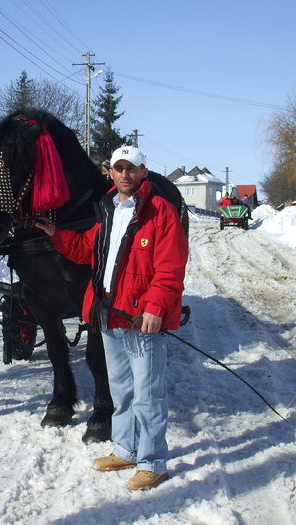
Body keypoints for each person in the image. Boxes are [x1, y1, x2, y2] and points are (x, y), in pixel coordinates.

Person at [36, 145, 188, 491]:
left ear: (143, 172)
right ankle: (125, 449)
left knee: (148, 394)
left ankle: (153, 462)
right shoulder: (108, 209)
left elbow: (171, 267)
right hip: (108, 313)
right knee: (120, 389)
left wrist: (155, 307)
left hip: (139, 318)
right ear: (111, 172)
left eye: (131, 168)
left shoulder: (161, 212)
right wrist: (54, 234)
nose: (125, 174)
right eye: (118, 168)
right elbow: (87, 249)